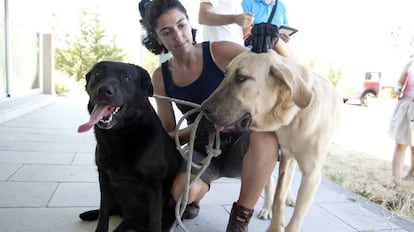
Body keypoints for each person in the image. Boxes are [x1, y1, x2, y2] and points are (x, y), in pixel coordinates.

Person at [138, 0, 294, 231]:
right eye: (167, 32)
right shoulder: (160, 77)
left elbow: (279, 70)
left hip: (242, 145)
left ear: (189, 23)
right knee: (182, 192)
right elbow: (169, 135)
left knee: (266, 135)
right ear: (156, 37)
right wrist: (199, 128)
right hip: (203, 147)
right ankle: (194, 198)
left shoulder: (221, 51)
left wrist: (274, 42)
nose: (178, 37)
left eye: (181, 25)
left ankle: (239, 220)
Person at [383, 57, 414, 189]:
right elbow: (399, 82)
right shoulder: (411, 63)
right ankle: (395, 179)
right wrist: (398, 88)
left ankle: (411, 173)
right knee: (400, 143)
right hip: (406, 105)